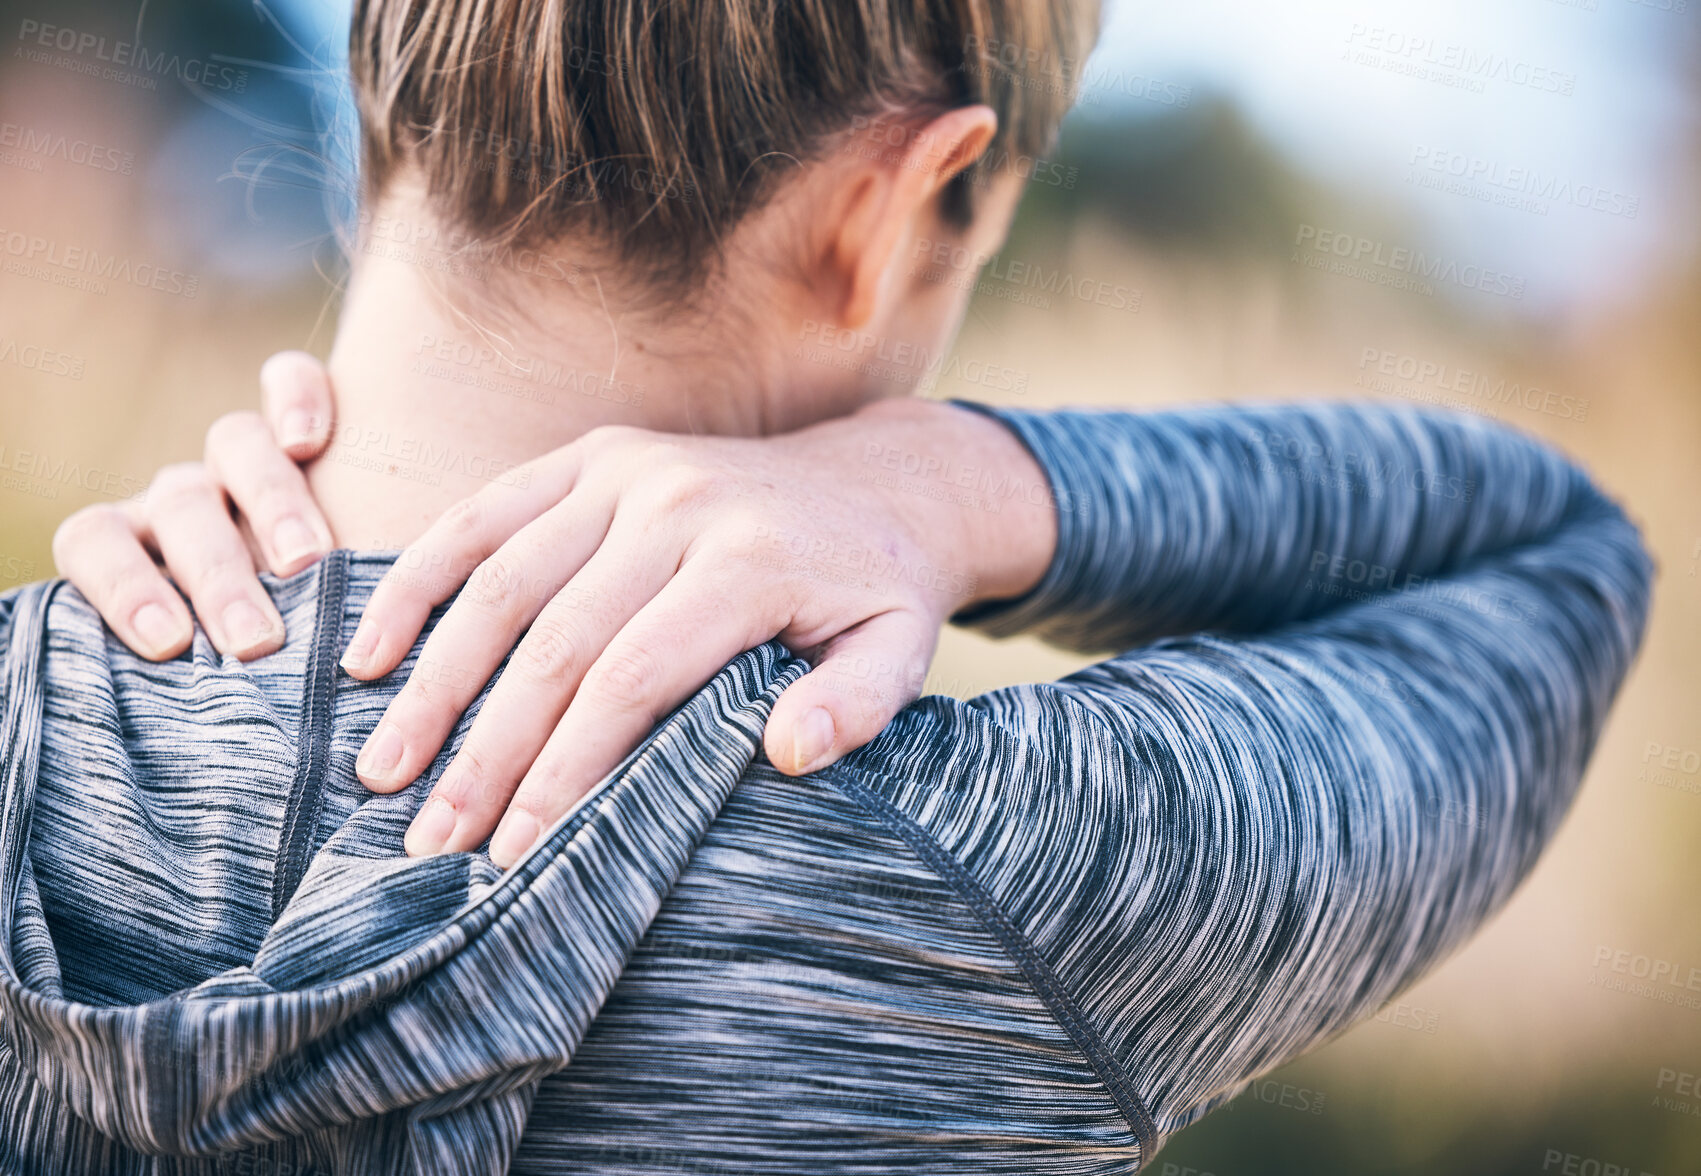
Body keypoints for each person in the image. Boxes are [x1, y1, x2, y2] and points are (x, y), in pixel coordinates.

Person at [2, 0, 1652, 1172]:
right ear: (886, 207)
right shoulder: (988, 871)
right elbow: (1545, 556)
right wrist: (972, 484)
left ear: (381, 70)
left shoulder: (22, 710)